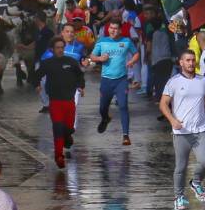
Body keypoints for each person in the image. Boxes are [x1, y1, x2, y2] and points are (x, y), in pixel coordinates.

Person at [160, 50, 205, 210]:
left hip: (200, 129)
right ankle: (179, 197)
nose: (191, 63)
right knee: (181, 167)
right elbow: (163, 104)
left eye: (193, 60)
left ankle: (196, 182)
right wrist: (172, 120)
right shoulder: (173, 82)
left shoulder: (203, 80)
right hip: (181, 131)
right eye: (187, 60)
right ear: (181, 63)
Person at [34, 38, 86, 168]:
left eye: (62, 47)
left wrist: (81, 86)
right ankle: (59, 156)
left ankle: (68, 137)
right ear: (52, 49)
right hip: (55, 101)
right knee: (57, 128)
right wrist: (37, 85)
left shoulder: (71, 62)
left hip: (69, 101)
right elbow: (35, 75)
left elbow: (80, 76)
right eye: (57, 47)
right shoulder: (47, 63)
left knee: (68, 129)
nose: (60, 50)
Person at [91, 17, 139, 145]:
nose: (112, 31)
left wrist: (131, 61)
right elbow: (92, 56)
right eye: (111, 28)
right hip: (106, 80)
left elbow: (136, 53)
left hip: (121, 80)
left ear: (120, 30)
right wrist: (100, 58)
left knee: (123, 106)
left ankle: (125, 135)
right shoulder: (102, 41)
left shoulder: (126, 41)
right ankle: (105, 118)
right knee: (102, 108)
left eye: (115, 29)